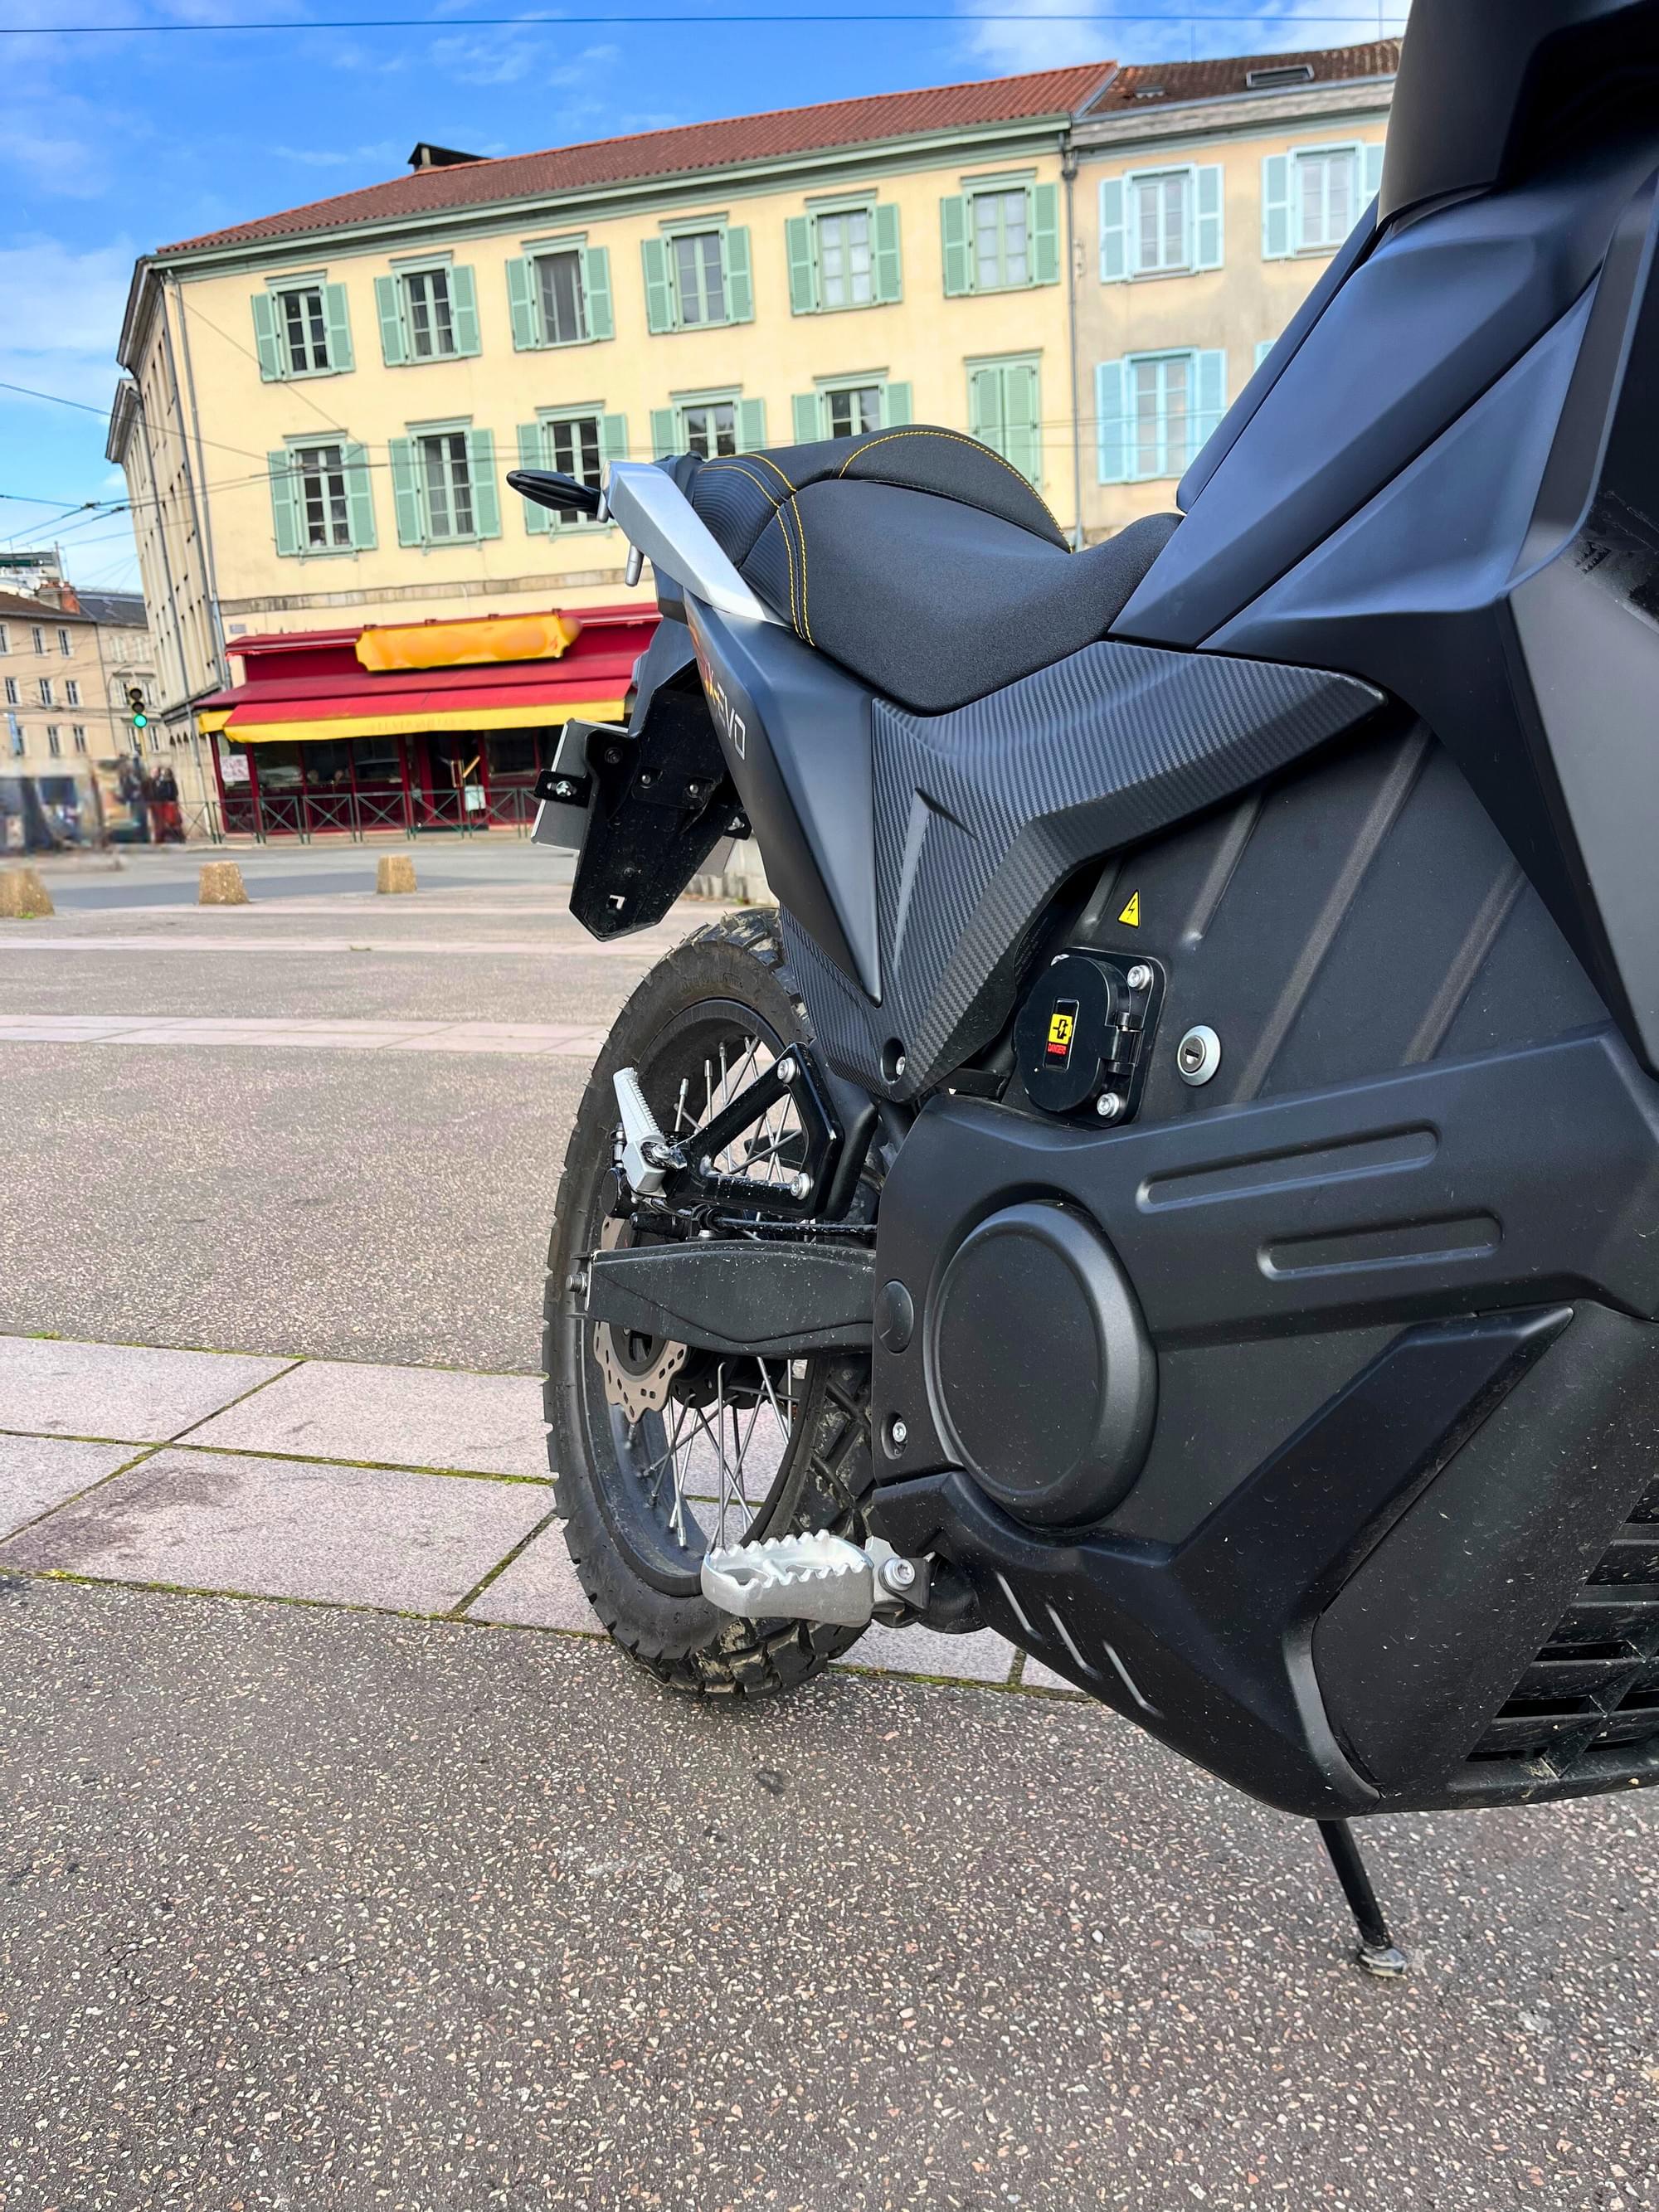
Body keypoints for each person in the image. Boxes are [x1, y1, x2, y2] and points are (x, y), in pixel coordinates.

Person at [116, 751, 150, 843]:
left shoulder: (134, 770)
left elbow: (139, 782)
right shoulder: (124, 773)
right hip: (131, 798)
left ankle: (142, 838)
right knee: (136, 819)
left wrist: (137, 791)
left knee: (139, 818)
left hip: (136, 799)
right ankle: (140, 837)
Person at [149, 761, 183, 843]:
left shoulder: (167, 782)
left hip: (168, 805)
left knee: (171, 822)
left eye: (156, 772)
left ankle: (176, 838)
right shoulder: (155, 782)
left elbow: (172, 793)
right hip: (161, 806)